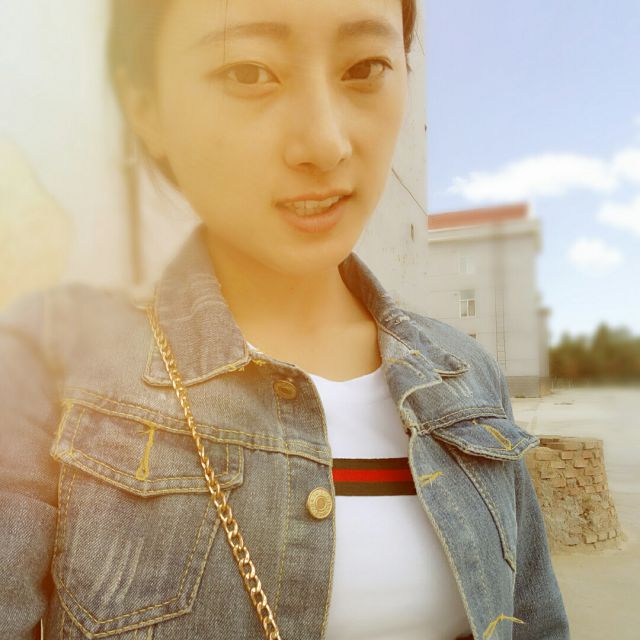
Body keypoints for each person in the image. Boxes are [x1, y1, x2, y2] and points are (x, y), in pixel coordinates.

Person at [0, 1, 570, 638]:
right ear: (146, 106)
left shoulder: (465, 377)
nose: (326, 144)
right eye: (248, 72)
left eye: (364, 67)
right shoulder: (50, 364)